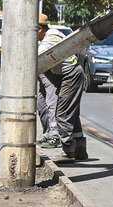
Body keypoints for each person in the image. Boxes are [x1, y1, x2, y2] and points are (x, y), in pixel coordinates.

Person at [39, 13, 87, 160]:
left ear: (40, 29)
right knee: (72, 113)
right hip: (74, 72)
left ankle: (68, 150)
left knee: (62, 113)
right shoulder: (55, 33)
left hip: (70, 75)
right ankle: (80, 149)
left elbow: (36, 62)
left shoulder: (46, 44)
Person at [36, 14, 61, 148]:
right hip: (45, 75)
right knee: (41, 104)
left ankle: (54, 135)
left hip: (54, 75)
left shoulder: (51, 37)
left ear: (40, 29)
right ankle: (48, 132)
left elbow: (39, 56)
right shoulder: (45, 38)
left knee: (52, 104)